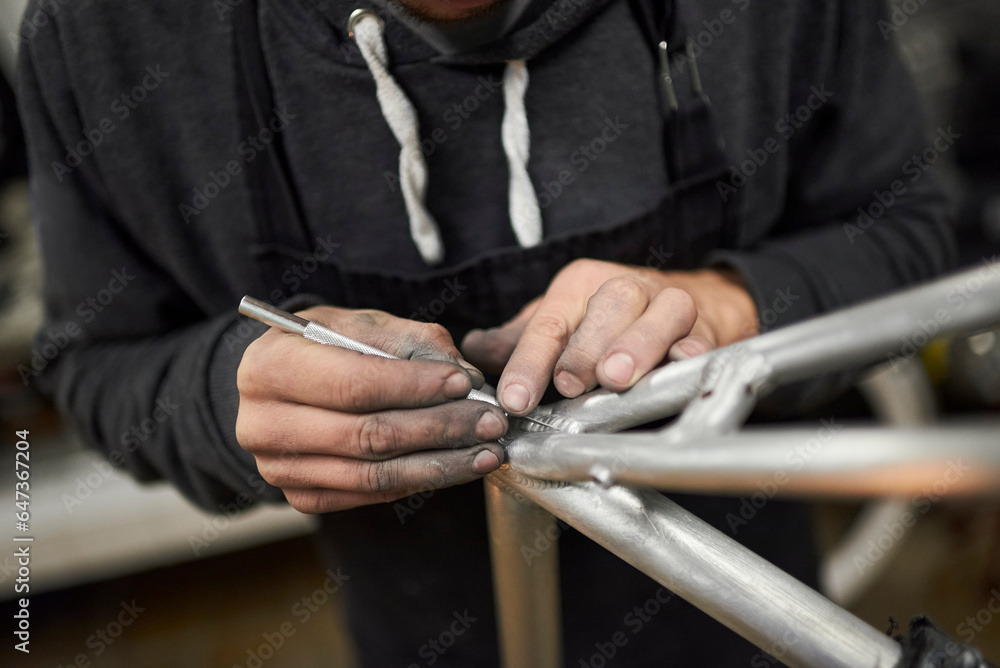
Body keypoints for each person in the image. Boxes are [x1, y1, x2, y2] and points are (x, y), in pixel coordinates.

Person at [18, 0, 954, 664]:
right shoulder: (104, 38)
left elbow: (912, 234)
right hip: (421, 627)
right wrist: (223, 397)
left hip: (755, 617)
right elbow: (96, 365)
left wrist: (730, 307)